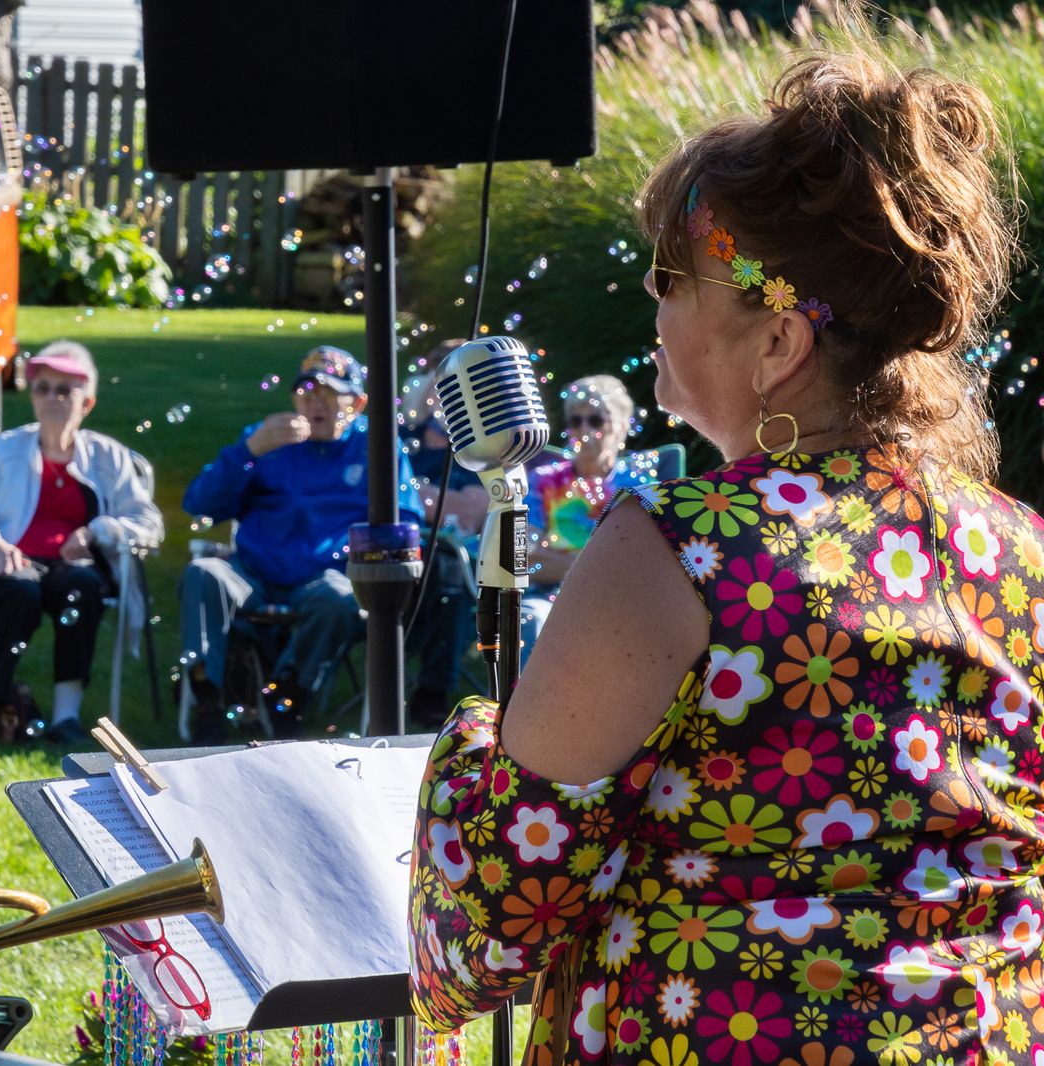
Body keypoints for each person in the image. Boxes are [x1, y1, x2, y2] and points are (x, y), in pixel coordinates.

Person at [409, 41, 1043, 1062]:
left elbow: (501, 908)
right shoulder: (1018, 547)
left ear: (779, 345)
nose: (649, 296)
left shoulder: (675, 545)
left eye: (672, 276)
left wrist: (471, 749)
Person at [179, 345, 423, 739]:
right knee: (203, 573)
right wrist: (247, 451)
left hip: (327, 576)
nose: (314, 403)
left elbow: (406, 520)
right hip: (254, 573)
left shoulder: (377, 446)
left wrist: (361, 552)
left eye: (328, 393)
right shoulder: (267, 440)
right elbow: (200, 505)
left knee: (338, 597)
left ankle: (288, 693)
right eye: (305, 392)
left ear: (357, 403)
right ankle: (207, 697)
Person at [0, 340, 162, 746]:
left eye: (64, 390)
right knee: (18, 592)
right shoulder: (3, 451)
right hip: (11, 562)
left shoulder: (109, 457)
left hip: (76, 565)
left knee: (82, 587)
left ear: (87, 403)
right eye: (42, 388)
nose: (52, 398)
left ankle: (66, 717)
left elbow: (148, 523)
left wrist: (96, 531)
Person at [518, 374, 657, 662]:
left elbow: (637, 564)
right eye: (575, 420)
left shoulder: (639, 488)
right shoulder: (543, 481)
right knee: (529, 619)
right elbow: (525, 558)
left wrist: (558, 561)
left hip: (617, 602)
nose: (584, 430)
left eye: (596, 420)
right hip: (548, 596)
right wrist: (595, 566)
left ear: (622, 426)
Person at [400, 339, 485, 727]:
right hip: (401, 558)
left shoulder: (485, 446)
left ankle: (432, 689)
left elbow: (479, 508)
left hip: (462, 562)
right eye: (443, 381)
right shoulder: (404, 439)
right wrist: (446, 501)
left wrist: (425, 497)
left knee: (448, 562)